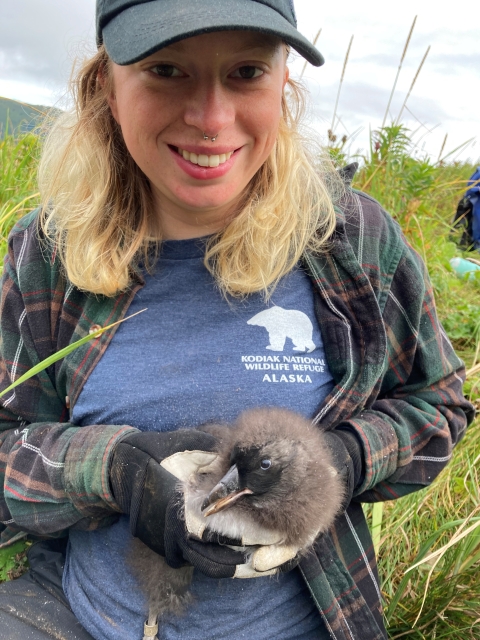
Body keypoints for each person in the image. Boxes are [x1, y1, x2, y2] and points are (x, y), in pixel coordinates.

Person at [0, 1, 474, 639]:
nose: (211, 119)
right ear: (106, 88)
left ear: (283, 86)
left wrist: (336, 461)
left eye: (246, 72)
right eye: (167, 70)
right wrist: (111, 471)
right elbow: (7, 443)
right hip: (75, 616)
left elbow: (437, 405)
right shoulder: (48, 254)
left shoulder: (352, 242)